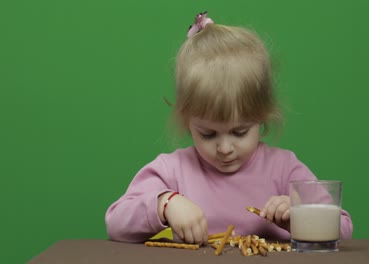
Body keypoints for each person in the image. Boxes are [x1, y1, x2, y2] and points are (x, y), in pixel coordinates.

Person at [105, 11, 353, 245]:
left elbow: (343, 227)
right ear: (187, 121)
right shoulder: (172, 171)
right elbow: (116, 222)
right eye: (208, 134)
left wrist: (299, 217)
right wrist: (166, 203)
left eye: (240, 132)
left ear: (263, 117)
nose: (225, 148)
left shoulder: (284, 169)